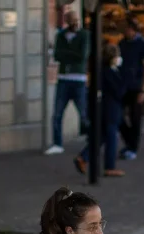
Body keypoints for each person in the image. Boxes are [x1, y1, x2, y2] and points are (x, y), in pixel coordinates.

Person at [74, 44, 125, 177]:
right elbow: (119, 90)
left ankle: (83, 157)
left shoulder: (100, 71)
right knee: (111, 137)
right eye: (117, 56)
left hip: (102, 109)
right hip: (110, 109)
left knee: (100, 137)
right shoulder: (110, 72)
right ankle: (110, 166)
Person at [45, 11, 90, 156]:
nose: (75, 23)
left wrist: (67, 53)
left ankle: (93, 139)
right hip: (63, 78)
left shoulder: (85, 35)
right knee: (57, 114)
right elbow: (57, 55)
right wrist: (70, 53)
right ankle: (57, 143)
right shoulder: (61, 35)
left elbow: (82, 56)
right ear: (67, 21)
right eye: (71, 20)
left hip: (78, 79)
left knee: (83, 114)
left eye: (76, 20)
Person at [117, 18, 144, 161]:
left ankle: (133, 148)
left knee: (135, 118)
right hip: (122, 86)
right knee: (118, 116)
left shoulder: (143, 44)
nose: (124, 31)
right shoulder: (122, 43)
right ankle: (129, 142)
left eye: (126, 29)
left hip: (137, 86)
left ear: (133, 29)